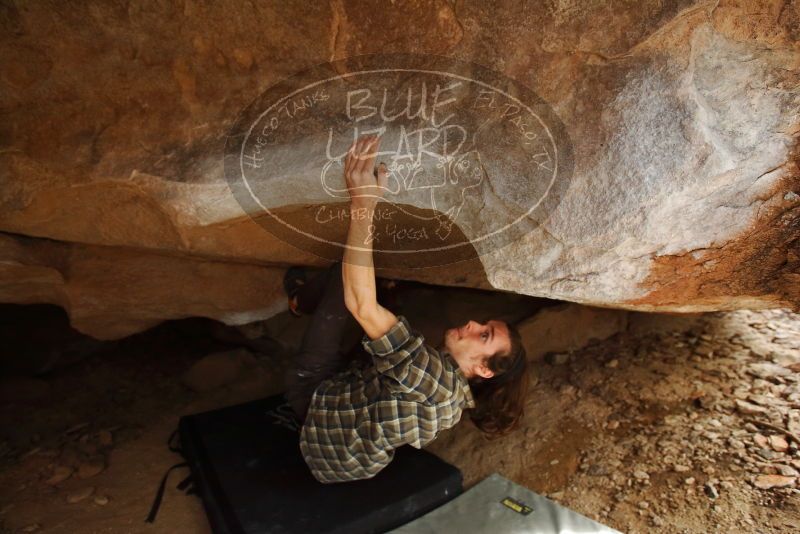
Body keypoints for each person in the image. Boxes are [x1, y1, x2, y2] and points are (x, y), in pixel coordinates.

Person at [283, 134, 529, 484]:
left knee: (348, 275)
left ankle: (298, 301)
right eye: (484, 324)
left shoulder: (434, 381)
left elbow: (362, 305)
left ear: (483, 369)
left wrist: (364, 203)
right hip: (352, 428)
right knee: (380, 295)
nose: (473, 323)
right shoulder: (451, 398)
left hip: (316, 403)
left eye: (484, 335)